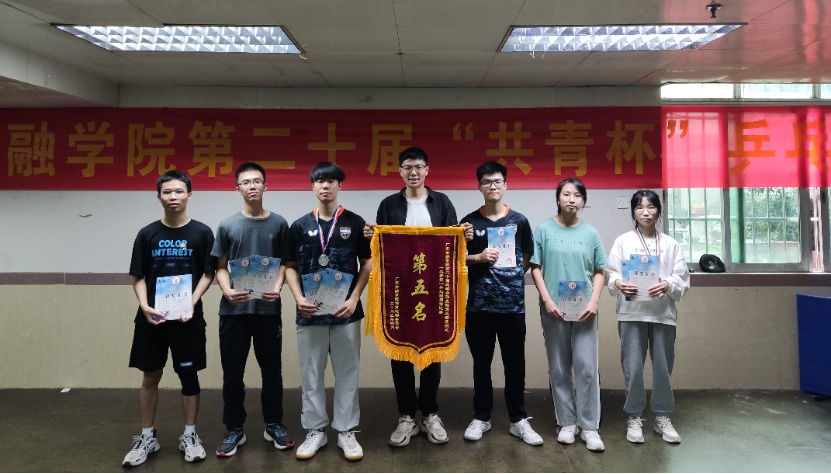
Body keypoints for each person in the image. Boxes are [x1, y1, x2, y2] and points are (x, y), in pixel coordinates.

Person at [364, 147, 474, 447]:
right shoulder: (389, 204)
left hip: (434, 289)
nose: (413, 172)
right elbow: (382, 247)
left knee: (432, 351)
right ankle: (406, 416)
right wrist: (372, 236)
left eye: (418, 166)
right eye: (407, 167)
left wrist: (464, 236)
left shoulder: (442, 202)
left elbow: (452, 245)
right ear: (400, 171)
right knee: (400, 352)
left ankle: (430, 414)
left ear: (427, 170)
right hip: (399, 290)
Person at [123, 171, 216, 467]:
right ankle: (147, 437)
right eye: (167, 192)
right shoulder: (147, 234)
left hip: (188, 319)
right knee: (150, 376)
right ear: (159, 197)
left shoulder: (202, 233)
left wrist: (192, 301)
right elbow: (138, 275)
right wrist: (144, 305)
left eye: (178, 191)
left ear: (190, 195)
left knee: (189, 376)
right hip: (153, 319)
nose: (173, 197)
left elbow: (209, 273)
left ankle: (189, 435)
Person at [284, 163, 372, 461]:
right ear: (312, 186)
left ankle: (346, 430)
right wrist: (298, 298)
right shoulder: (298, 226)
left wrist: (355, 298)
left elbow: (367, 263)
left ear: (339, 186)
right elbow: (289, 267)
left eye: (331, 181)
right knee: (311, 374)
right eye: (320, 181)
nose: (325, 186)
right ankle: (315, 430)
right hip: (310, 313)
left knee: (347, 373)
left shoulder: (355, 223)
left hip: (345, 312)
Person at [212, 163, 293, 457]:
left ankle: (274, 424)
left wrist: (279, 286)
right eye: (246, 182)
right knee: (233, 373)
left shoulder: (280, 224)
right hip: (233, 313)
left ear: (265, 186)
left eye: (257, 181)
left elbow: (286, 263)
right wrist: (227, 290)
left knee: (272, 372)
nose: (252, 186)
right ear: (238, 189)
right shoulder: (227, 225)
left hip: (267, 311)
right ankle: (234, 428)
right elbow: (220, 266)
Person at [460, 162, 543, 446]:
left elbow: (529, 256)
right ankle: (481, 417)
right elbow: (455, 259)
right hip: (479, 308)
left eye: (497, 181)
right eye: (487, 182)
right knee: (481, 365)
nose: (492, 186)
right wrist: (478, 257)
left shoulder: (519, 221)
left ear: (505, 186)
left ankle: (518, 420)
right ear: (479, 187)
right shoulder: (468, 223)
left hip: (512, 307)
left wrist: (511, 276)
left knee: (514, 365)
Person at [530, 178, 607, 453]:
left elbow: (600, 270)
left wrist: (594, 301)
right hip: (554, 309)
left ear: (583, 200)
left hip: (585, 310)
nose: (571, 199)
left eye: (577, 195)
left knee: (586, 367)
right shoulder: (544, 230)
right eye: (566, 194)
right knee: (559, 367)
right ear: (558, 198)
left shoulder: (591, 233)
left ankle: (589, 426)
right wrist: (547, 300)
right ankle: (566, 422)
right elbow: (535, 267)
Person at [606, 190, 690, 445]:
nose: (646, 212)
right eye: (640, 207)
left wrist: (667, 284)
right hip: (631, 313)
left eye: (651, 207)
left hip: (662, 314)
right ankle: (634, 416)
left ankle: (662, 416)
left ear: (658, 210)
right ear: (633, 211)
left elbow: (681, 277)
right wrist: (619, 283)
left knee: (663, 368)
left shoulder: (671, 244)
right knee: (633, 368)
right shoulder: (623, 242)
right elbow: (611, 272)